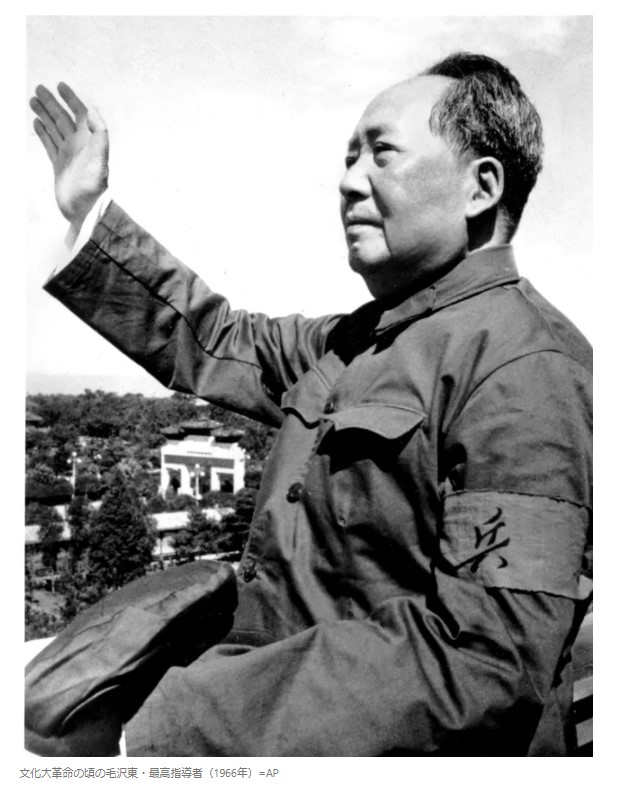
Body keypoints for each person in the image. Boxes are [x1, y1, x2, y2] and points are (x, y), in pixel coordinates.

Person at [29, 52, 592, 756]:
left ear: (480, 187)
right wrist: (89, 216)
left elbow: (484, 661)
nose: (349, 181)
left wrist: (180, 726)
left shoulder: (526, 367)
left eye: (381, 153)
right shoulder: (360, 341)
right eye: (350, 157)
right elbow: (221, 339)